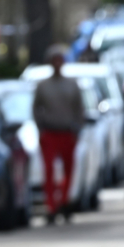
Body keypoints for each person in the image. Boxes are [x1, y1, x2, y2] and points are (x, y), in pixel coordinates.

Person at [32, 47, 85, 225]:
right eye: (54, 60)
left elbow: (79, 109)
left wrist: (77, 129)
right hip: (49, 132)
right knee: (49, 171)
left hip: (67, 132)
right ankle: (51, 206)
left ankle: (64, 200)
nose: (57, 63)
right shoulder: (42, 86)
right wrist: (40, 128)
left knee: (68, 170)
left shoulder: (72, 85)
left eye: (59, 60)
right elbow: (35, 109)